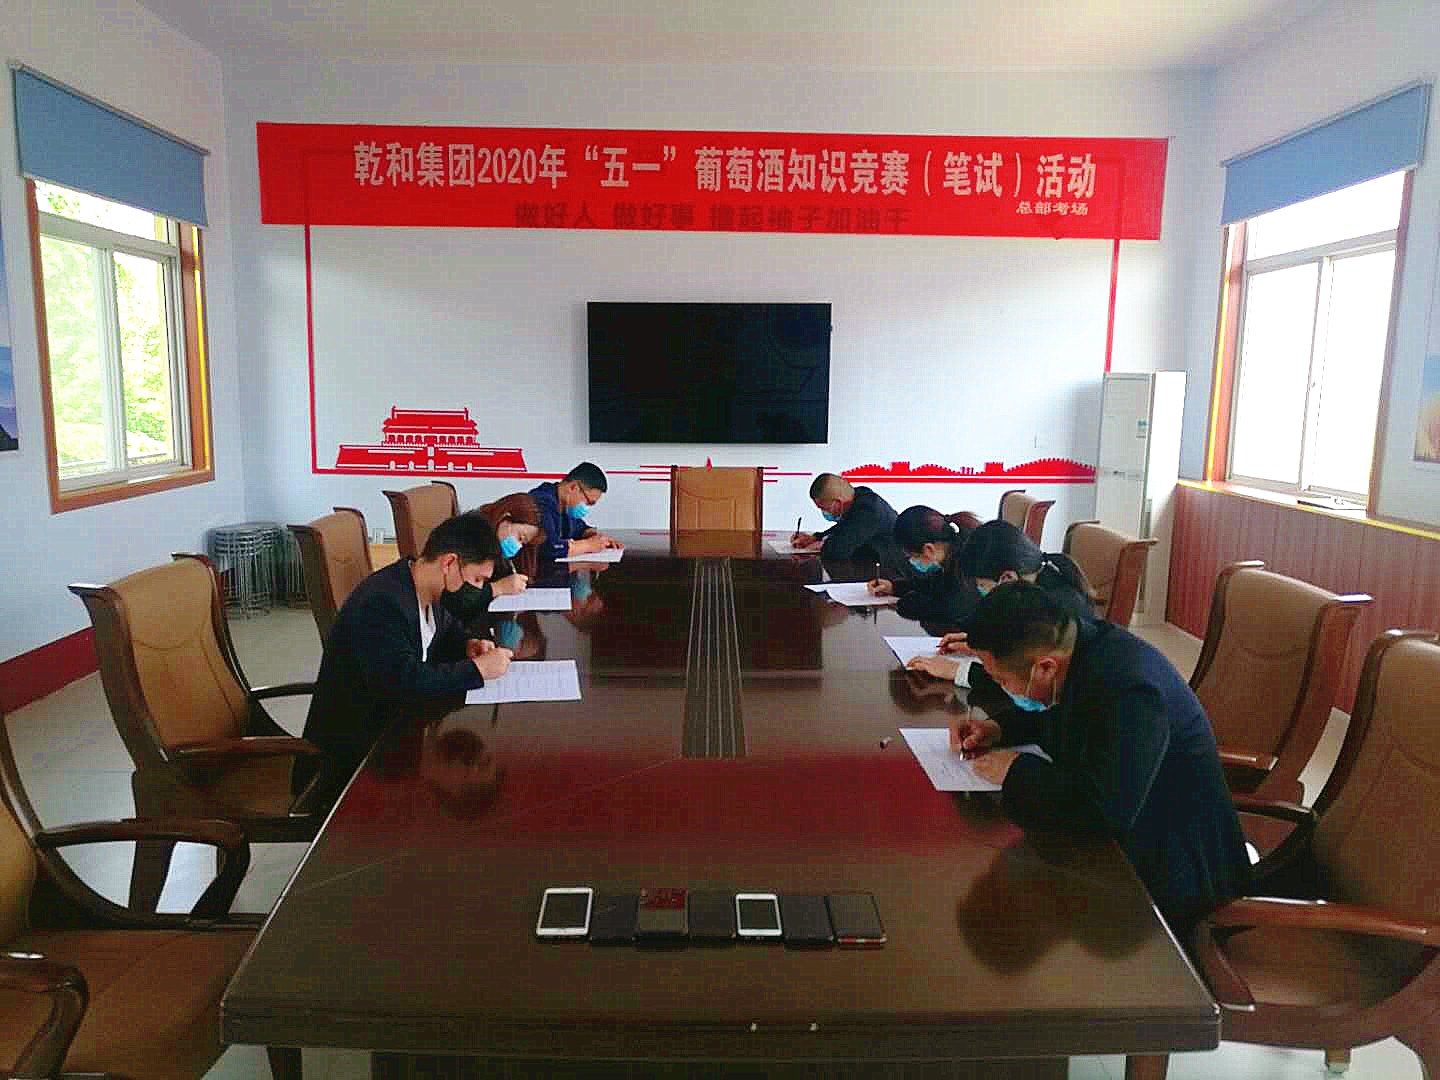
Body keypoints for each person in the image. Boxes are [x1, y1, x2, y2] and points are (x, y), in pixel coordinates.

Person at [953, 583, 1250, 934]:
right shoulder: (1079, 647)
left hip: (1176, 877)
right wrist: (998, 728)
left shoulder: (1131, 692)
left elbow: (1104, 810)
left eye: (1001, 680)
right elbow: (1059, 717)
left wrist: (1016, 771)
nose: (1003, 688)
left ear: (1045, 668)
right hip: (1135, 841)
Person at [293, 511, 514, 806]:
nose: (477, 589)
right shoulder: (382, 603)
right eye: (477, 579)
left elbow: (445, 634)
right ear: (449, 563)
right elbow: (403, 682)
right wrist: (476, 670)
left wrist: (468, 646)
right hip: (350, 764)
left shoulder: (426, 590)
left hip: (395, 740)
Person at [908, 519, 1096, 684]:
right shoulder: (1036, 587)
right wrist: (982, 646)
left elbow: (1026, 682)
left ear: (1006, 578)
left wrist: (959, 672)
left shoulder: (1052, 609)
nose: (980, 592)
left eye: (982, 585)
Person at [868, 505, 977, 629]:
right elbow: (929, 585)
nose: (911, 561)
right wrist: (893, 587)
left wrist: (902, 604)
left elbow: (948, 610)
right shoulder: (951, 556)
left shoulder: (966, 569)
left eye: (911, 556)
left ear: (928, 549)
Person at [792, 473, 907, 574]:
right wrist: (815, 537)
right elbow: (844, 527)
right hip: (870, 562)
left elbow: (838, 551)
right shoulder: (857, 497)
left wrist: (823, 544)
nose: (824, 512)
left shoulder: (869, 511)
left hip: (889, 571)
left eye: (823, 508)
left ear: (838, 503)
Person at [529, 462, 624, 565]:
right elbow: (550, 547)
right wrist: (588, 545)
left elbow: (579, 528)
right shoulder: (540, 502)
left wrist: (597, 538)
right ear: (573, 487)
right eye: (588, 502)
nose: (587, 507)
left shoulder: (564, 505)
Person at [477, 492, 547, 581]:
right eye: (520, 538)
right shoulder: (469, 539)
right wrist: (498, 587)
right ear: (505, 517)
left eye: (523, 544)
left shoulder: (502, 560)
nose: (519, 546)